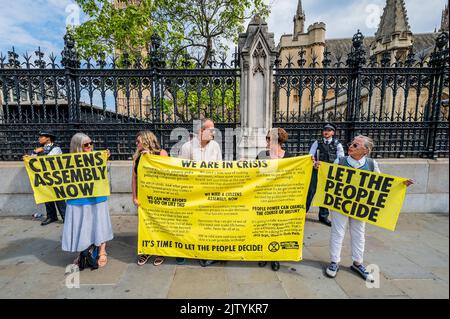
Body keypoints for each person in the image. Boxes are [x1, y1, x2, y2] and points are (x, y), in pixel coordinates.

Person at [318, 135, 415, 281]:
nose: (350, 146)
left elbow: (381, 183)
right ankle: (334, 262)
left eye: (355, 145)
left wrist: (400, 184)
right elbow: (328, 176)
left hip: (360, 206)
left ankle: (358, 263)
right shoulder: (341, 161)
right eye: (351, 143)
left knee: (359, 233)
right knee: (337, 232)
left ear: (365, 150)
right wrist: (319, 169)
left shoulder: (371, 164)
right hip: (340, 204)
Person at [62, 133, 113, 268]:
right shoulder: (69, 160)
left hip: (97, 197)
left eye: (91, 143)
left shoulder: (97, 156)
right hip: (77, 199)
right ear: (78, 146)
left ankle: (102, 251)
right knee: (80, 226)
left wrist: (105, 160)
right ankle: (83, 251)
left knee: (99, 224)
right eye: (86, 144)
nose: (90, 146)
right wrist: (30, 160)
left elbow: (105, 174)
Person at [178, 118, 222, 267]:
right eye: (211, 130)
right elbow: (180, 171)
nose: (214, 133)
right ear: (202, 131)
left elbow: (220, 169)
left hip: (210, 193)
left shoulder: (215, 146)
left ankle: (208, 253)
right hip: (193, 195)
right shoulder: (187, 147)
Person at [256, 128, 293, 272]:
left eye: (268, 138)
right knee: (263, 227)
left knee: (277, 228)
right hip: (264, 197)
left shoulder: (289, 157)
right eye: (267, 138)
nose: (266, 140)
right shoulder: (261, 155)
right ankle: (263, 254)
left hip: (281, 198)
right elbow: (254, 175)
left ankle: (274, 256)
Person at [132, 131, 169, 266]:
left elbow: (166, 172)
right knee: (145, 224)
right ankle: (146, 250)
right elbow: (134, 178)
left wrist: (150, 159)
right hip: (144, 197)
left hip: (159, 196)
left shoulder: (162, 153)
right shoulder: (137, 157)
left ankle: (160, 251)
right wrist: (134, 197)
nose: (136, 144)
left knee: (159, 224)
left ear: (147, 141)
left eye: (138, 141)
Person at [23, 130, 66, 226]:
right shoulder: (39, 149)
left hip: (55, 177)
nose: (39, 138)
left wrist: (40, 152)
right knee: (47, 196)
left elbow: (49, 161)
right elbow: (32, 160)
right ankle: (51, 216)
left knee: (59, 198)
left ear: (48, 138)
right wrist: (34, 153)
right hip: (44, 177)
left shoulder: (56, 148)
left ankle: (65, 217)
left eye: (41, 136)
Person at [306, 123, 344, 227]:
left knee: (325, 194)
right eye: (324, 130)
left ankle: (323, 216)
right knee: (310, 191)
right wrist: (314, 163)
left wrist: (330, 167)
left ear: (333, 132)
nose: (326, 132)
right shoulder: (317, 142)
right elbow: (310, 155)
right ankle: (302, 212)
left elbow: (340, 158)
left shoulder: (337, 144)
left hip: (329, 173)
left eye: (329, 130)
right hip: (316, 171)